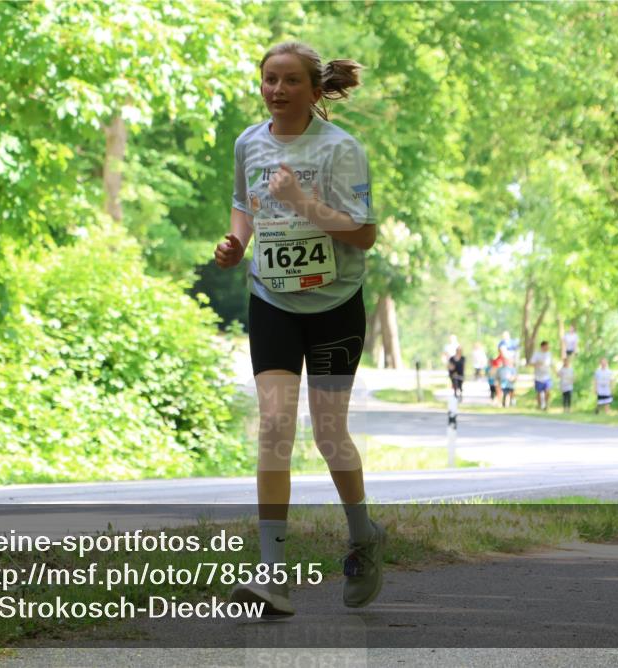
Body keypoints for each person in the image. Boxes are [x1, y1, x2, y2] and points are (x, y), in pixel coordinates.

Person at [213, 42, 385, 615]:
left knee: (329, 435)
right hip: (273, 300)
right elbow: (244, 204)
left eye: (290, 81)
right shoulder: (247, 143)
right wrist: (237, 243)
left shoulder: (341, 149)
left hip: (335, 304)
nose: (278, 90)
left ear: (315, 91)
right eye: (269, 80)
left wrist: (303, 202)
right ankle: (273, 575)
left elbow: (363, 234)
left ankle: (364, 538)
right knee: (275, 426)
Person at [531, 340, 553, 411]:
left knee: (547, 391)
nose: (547, 348)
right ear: (542, 346)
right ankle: (539, 405)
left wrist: (556, 372)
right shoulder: (537, 354)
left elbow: (551, 364)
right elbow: (531, 363)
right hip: (538, 377)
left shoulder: (549, 354)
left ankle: (546, 405)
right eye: (546, 346)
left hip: (547, 376)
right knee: (539, 392)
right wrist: (538, 363)